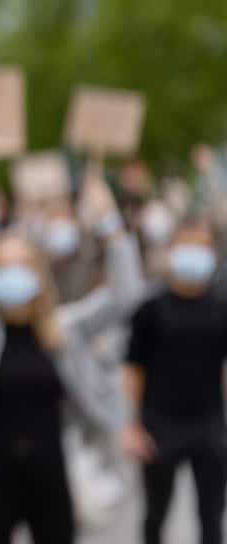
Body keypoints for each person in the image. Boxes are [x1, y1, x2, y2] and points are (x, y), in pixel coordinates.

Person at [0, 162, 145, 544]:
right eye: (2, 267)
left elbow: (127, 295)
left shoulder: (65, 329)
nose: (13, 275)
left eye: (23, 265)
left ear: (40, 275)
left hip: (53, 472)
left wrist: (110, 222)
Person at [121, 219, 227, 544]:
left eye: (202, 246)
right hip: (159, 423)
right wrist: (130, 424)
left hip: (209, 423)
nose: (194, 254)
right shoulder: (151, 309)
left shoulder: (221, 307)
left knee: (211, 516)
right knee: (156, 513)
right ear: (171, 251)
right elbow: (133, 368)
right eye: (186, 245)